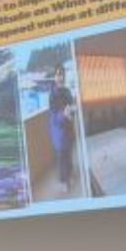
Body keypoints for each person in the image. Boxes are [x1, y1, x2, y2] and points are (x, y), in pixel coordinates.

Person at [48, 64, 77, 192]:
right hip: (59, 131)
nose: (60, 77)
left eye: (62, 74)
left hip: (69, 128)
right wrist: (64, 115)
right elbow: (54, 116)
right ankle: (63, 181)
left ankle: (69, 175)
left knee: (69, 154)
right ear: (54, 76)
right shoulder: (52, 94)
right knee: (62, 157)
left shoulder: (67, 91)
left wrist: (72, 112)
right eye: (58, 74)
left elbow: (72, 106)